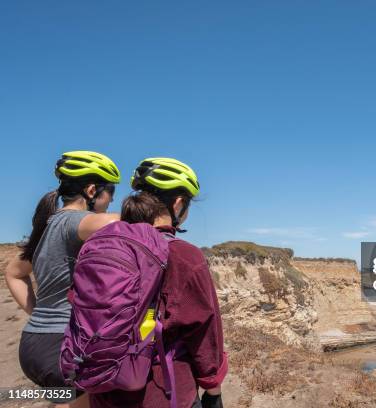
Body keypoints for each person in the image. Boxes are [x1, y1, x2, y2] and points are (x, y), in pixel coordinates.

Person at [90, 157, 227, 408]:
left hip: (102, 389)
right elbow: (204, 330)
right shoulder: (184, 255)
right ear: (178, 203)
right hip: (162, 391)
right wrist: (213, 387)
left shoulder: (100, 245)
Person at [4, 151, 121, 408]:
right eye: (110, 195)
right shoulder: (75, 222)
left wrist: (38, 313)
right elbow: (124, 221)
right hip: (60, 347)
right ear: (92, 190)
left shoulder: (46, 225)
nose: (111, 203)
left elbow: (14, 273)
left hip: (34, 344)